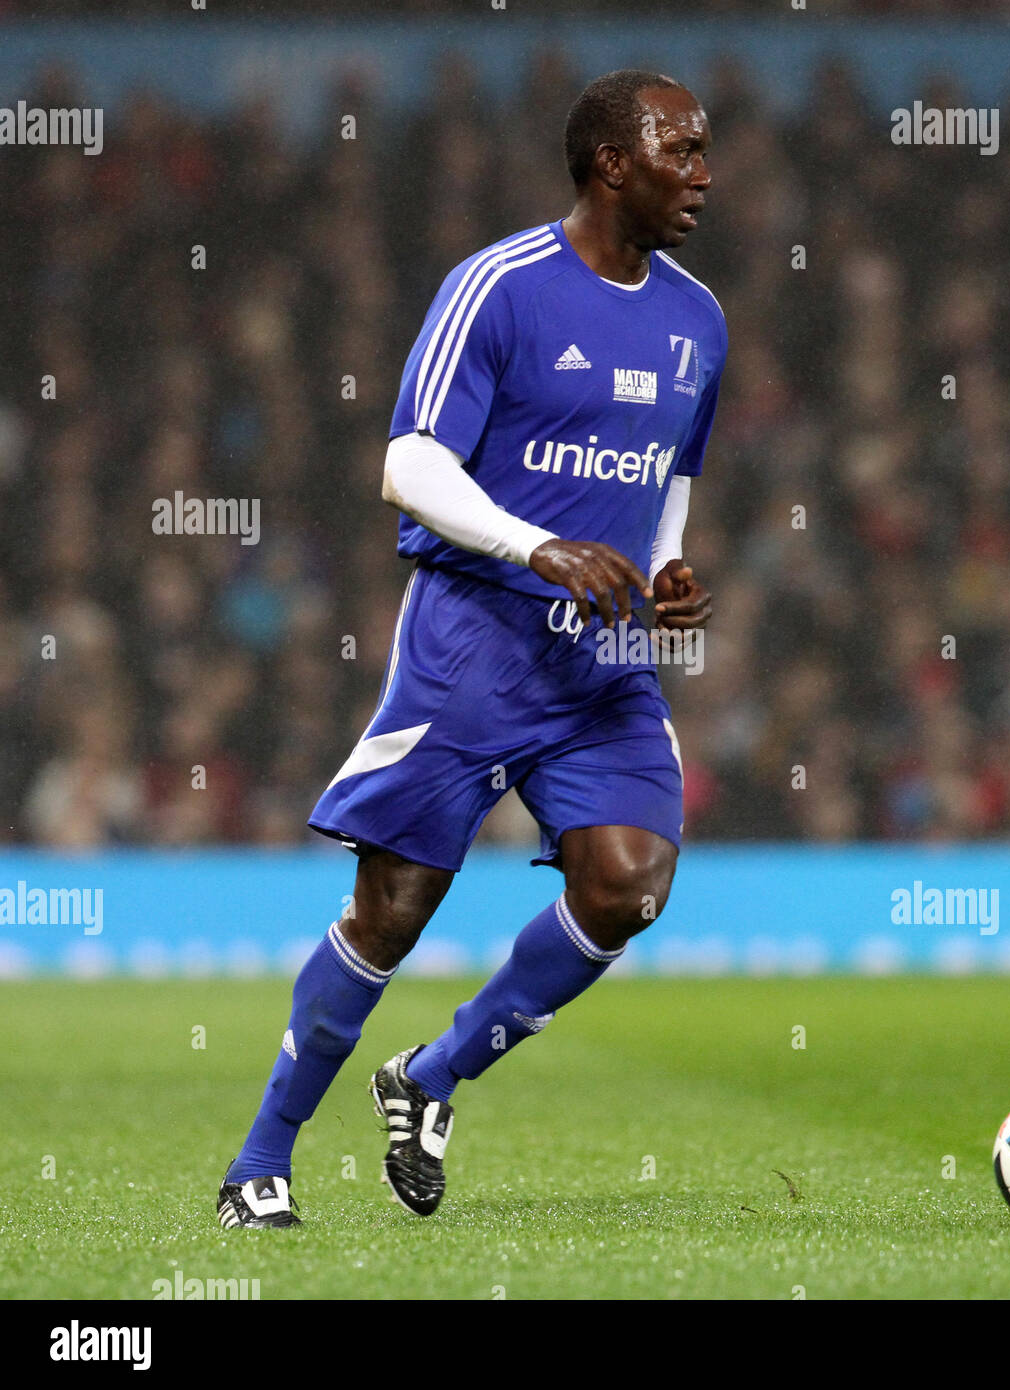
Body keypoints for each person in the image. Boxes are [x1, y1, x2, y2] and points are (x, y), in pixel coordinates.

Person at [218, 69, 725, 1228]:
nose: (702, 175)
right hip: (474, 645)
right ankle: (260, 1161)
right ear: (610, 161)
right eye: (681, 152)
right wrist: (536, 545)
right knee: (392, 909)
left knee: (630, 884)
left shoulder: (700, 316)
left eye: (703, 152)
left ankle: (431, 1077)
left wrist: (669, 566)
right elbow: (409, 464)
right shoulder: (498, 288)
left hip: (600, 663)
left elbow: (670, 474)